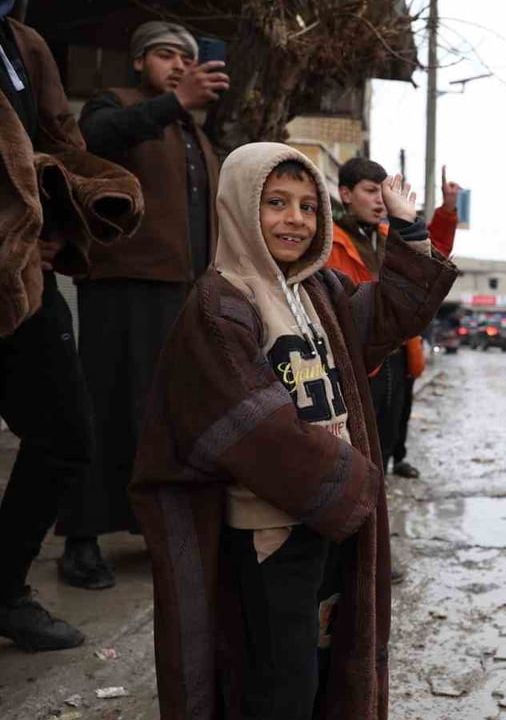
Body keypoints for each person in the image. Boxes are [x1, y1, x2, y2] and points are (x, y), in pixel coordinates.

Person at [130, 143, 458, 719]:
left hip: (324, 521)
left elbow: (389, 315)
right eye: (276, 203)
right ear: (238, 207)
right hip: (271, 535)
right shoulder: (221, 302)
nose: (296, 220)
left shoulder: (319, 290)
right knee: (280, 684)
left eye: (308, 207)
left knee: (322, 665)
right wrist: (357, 483)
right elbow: (251, 425)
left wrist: (408, 229)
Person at [57, 21, 227, 590]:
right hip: (123, 285)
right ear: (137, 61)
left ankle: (155, 528)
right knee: (104, 409)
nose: (179, 66)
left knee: (166, 418)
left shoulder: (191, 130)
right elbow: (93, 140)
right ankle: (80, 540)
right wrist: (175, 102)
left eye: (187, 58)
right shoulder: (116, 104)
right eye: (165, 55)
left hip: (184, 292)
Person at [0, 8, 142, 651]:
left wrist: (61, 224)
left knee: (64, 434)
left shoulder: (22, 44)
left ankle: (5, 591)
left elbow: (59, 144)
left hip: (24, 278)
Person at [326, 157, 457, 477]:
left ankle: (386, 477)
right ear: (345, 194)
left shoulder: (389, 235)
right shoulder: (329, 240)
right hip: (356, 353)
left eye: (382, 193)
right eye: (370, 191)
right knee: (357, 438)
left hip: (397, 350)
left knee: (391, 426)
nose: (380, 201)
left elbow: (428, 258)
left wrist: (447, 211)